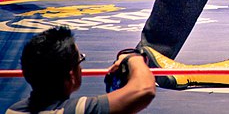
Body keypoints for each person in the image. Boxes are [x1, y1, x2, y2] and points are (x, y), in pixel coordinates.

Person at [6, 26, 155, 114]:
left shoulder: (13, 110)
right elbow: (144, 90)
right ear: (71, 76)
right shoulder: (75, 110)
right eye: (80, 60)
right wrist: (133, 57)